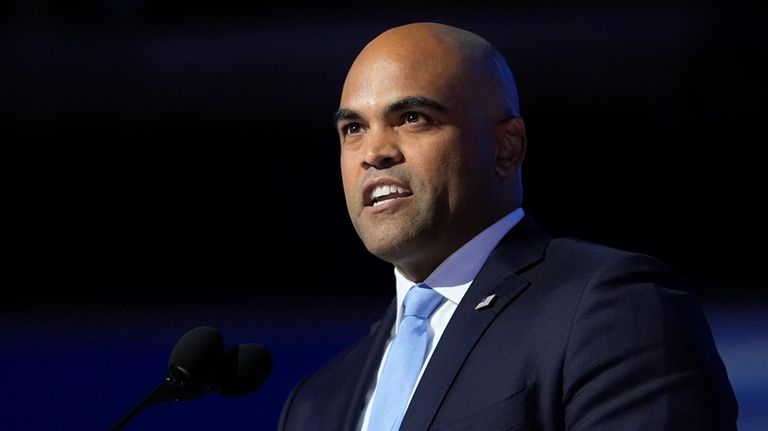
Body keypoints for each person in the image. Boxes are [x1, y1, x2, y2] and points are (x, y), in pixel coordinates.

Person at [278, 22, 738, 430]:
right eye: (353, 129)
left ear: (506, 148)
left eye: (413, 118)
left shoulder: (611, 309)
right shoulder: (318, 402)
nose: (373, 152)